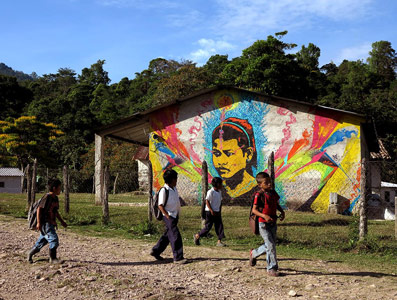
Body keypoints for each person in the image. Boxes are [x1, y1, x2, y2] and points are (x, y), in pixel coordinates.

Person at [211, 117, 258, 205]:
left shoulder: (258, 191)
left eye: (229, 154)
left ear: (248, 154)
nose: (221, 161)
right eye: (217, 154)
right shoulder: (218, 189)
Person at [249, 172, 285, 277]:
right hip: (263, 224)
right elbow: (254, 210)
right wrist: (264, 216)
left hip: (273, 222)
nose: (269, 184)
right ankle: (271, 268)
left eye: (270, 182)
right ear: (260, 185)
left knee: (270, 245)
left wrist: (282, 211)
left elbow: (276, 204)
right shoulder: (258, 195)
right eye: (266, 182)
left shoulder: (273, 193)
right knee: (270, 245)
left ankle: (254, 253)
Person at [150, 169, 187, 264]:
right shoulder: (164, 190)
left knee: (167, 235)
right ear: (171, 179)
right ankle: (178, 257)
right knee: (175, 235)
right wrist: (167, 216)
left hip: (175, 215)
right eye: (175, 179)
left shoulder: (174, 189)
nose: (176, 181)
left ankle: (156, 251)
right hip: (168, 216)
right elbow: (160, 205)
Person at [27, 179, 67, 264]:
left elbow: (55, 211)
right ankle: (53, 258)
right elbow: (39, 209)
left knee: (42, 241)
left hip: (51, 223)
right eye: (59, 188)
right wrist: (38, 222)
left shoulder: (55, 198)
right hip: (45, 223)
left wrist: (61, 221)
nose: (60, 190)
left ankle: (30, 253)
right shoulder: (47, 197)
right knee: (54, 239)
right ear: (54, 188)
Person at [193, 177, 226, 247]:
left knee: (219, 226)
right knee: (208, 227)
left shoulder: (219, 192)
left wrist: (219, 210)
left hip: (217, 212)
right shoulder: (211, 192)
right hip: (210, 212)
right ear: (217, 184)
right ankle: (197, 236)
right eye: (220, 184)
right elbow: (207, 201)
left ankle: (219, 241)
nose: (222, 185)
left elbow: (220, 202)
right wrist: (211, 210)